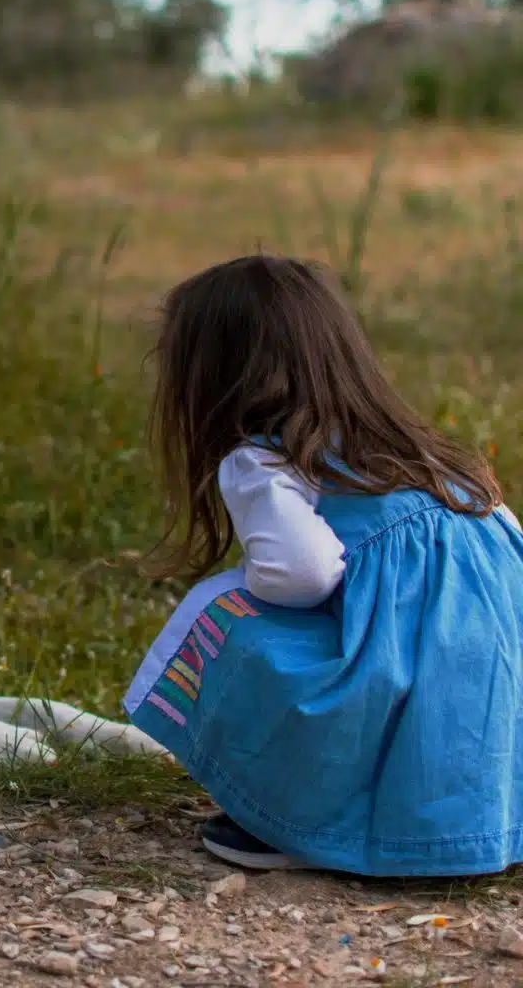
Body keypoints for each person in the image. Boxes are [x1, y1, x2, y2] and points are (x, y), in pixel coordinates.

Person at [124, 254, 523, 876]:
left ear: (212, 377)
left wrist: (251, 586)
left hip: (395, 675)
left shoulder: (267, 460)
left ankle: (297, 819)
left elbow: (303, 575)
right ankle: (478, 816)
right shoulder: (425, 457)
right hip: (486, 680)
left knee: (226, 613)